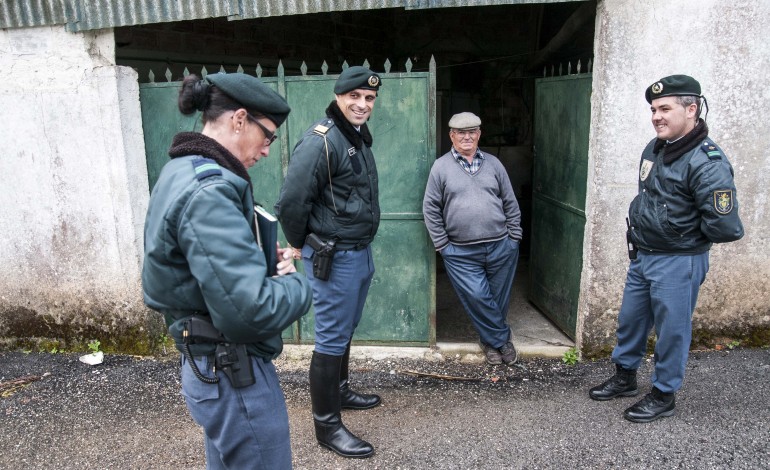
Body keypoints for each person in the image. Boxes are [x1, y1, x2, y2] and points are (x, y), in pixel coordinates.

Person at [142, 72, 313, 468]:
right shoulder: (211, 190)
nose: (268, 150)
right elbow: (248, 310)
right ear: (239, 119)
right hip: (233, 372)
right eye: (268, 136)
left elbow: (196, 266)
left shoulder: (182, 170)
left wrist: (257, 261)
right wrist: (298, 288)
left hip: (211, 364)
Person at [589, 74, 744, 423]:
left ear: (692, 109)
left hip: (678, 260)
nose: (657, 116)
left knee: (672, 330)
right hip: (644, 255)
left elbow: (724, 225)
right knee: (630, 321)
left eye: (665, 108)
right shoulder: (655, 147)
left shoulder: (707, 161)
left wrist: (681, 237)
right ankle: (625, 377)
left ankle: (663, 394)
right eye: (653, 109)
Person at [274, 66, 382, 459]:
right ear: (338, 97)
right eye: (354, 96)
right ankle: (327, 426)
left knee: (346, 329)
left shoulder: (355, 136)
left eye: (369, 98)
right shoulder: (322, 140)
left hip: (358, 252)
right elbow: (290, 201)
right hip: (333, 258)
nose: (362, 104)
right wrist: (301, 243)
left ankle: (341, 392)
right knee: (331, 338)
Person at [422, 112, 523, 366]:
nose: (467, 137)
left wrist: (514, 237)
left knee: (497, 298)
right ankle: (502, 339)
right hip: (460, 250)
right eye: (461, 133)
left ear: (479, 134)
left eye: (472, 132)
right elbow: (430, 208)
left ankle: (490, 343)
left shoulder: (494, 164)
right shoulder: (441, 167)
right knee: (478, 296)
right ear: (451, 136)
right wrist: (442, 245)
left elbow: (510, 202)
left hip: (501, 244)